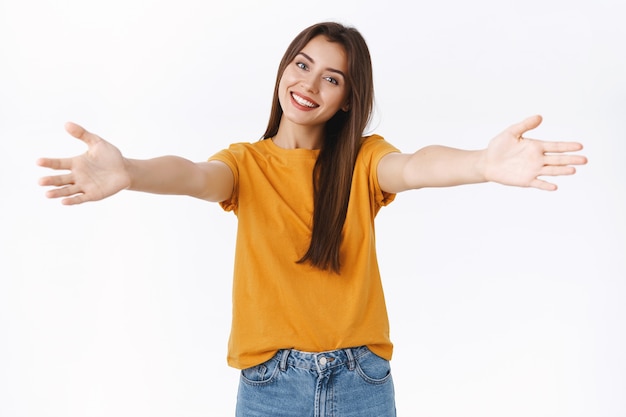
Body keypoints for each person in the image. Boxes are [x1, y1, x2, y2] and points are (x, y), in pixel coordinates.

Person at [37, 22, 587, 417]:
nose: (309, 84)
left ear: (348, 98)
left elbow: (416, 165)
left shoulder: (364, 161)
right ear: (284, 70)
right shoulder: (245, 165)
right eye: (303, 65)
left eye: (332, 78)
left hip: (361, 380)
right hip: (271, 384)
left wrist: (481, 164)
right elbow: (193, 176)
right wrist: (130, 170)